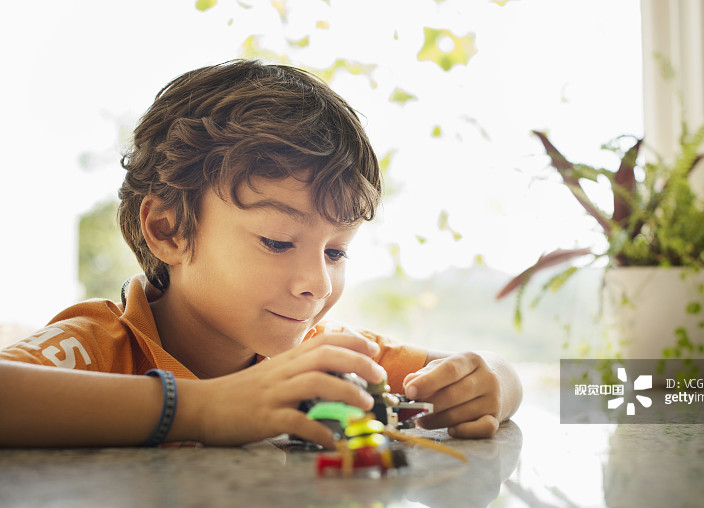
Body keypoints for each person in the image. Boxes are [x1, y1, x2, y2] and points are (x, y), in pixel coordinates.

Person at [0, 60, 522, 449]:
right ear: (168, 230)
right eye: (278, 241)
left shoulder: (322, 354)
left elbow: (485, 371)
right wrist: (205, 410)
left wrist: (490, 383)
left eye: (336, 251)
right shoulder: (98, 348)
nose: (318, 283)